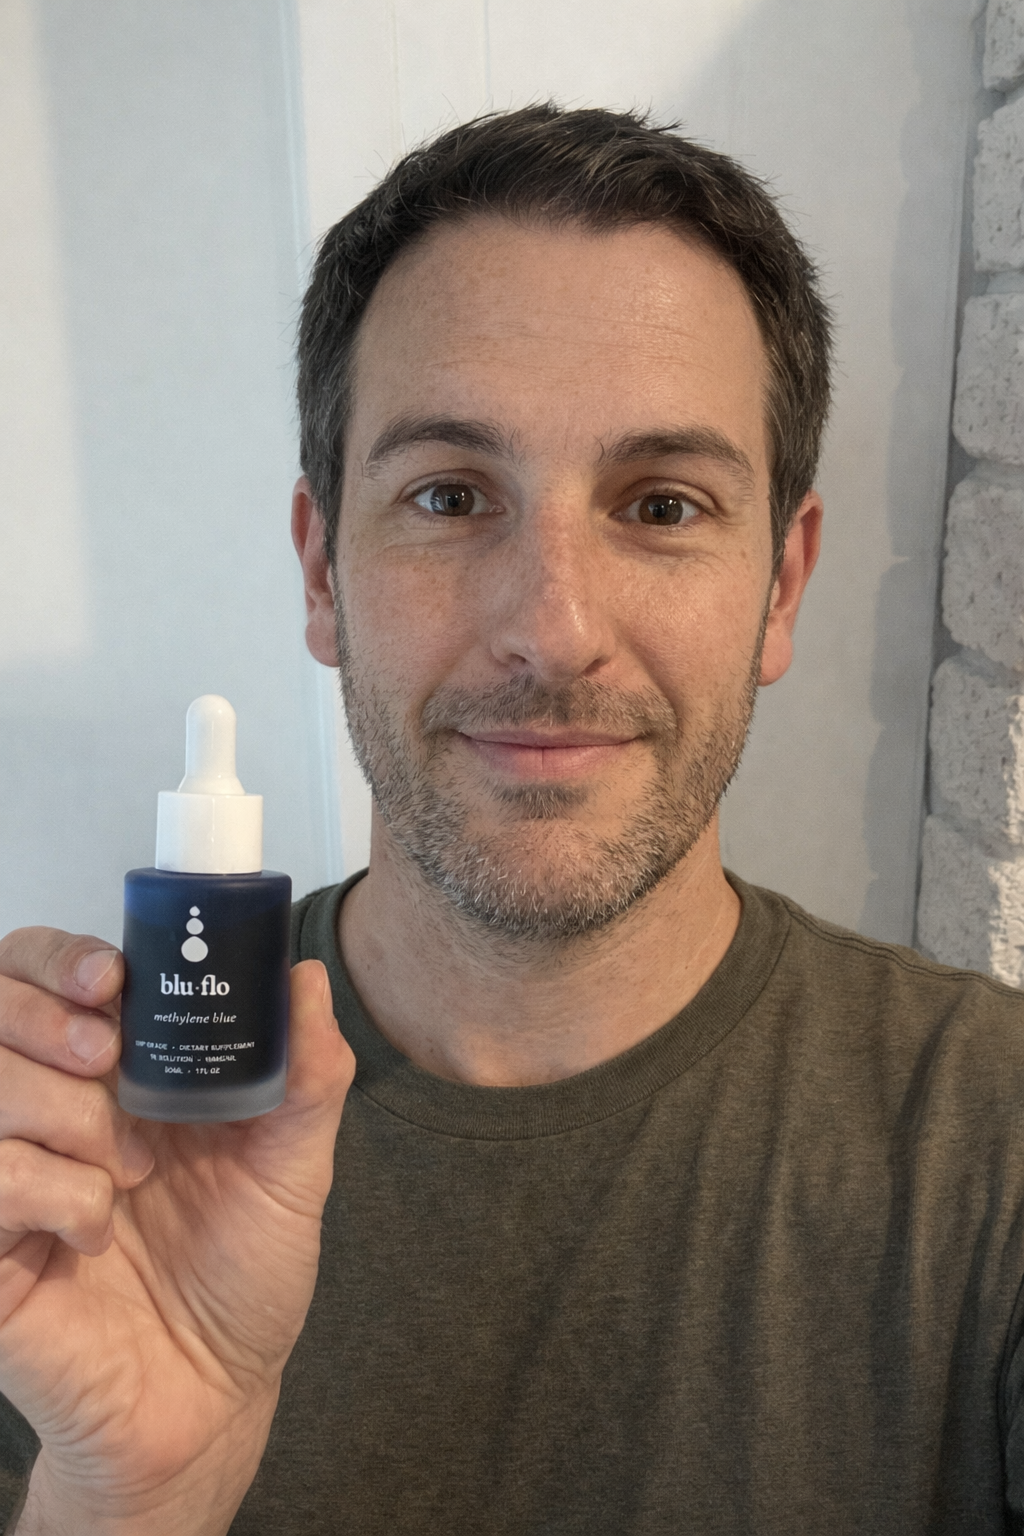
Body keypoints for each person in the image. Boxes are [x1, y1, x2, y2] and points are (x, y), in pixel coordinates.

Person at [0, 103, 1021, 1535]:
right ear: (321, 568)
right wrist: (129, 1505)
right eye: (451, 493)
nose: (553, 628)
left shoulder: (991, 1144)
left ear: (782, 585)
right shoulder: (80, 1173)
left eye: (662, 506)